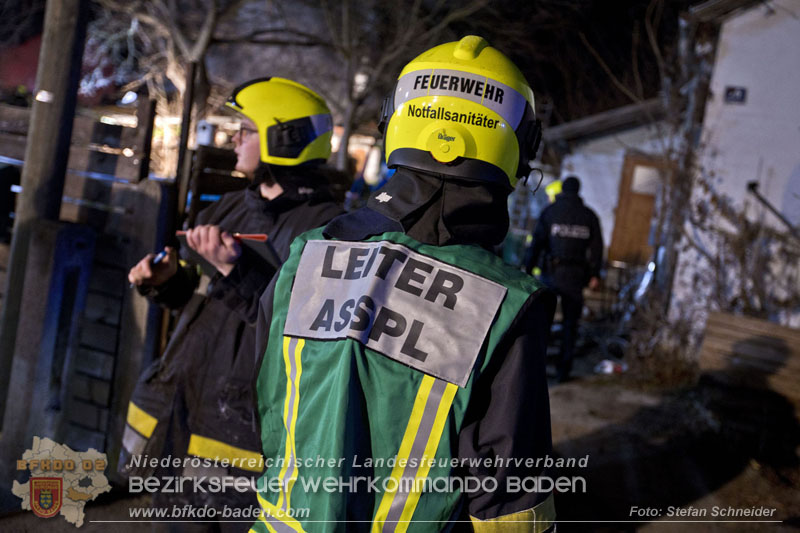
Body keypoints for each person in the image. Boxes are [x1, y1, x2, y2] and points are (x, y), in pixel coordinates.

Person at [251, 36, 556, 532]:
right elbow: (510, 503)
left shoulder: (307, 255)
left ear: (396, 123)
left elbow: (264, 409)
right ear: (519, 148)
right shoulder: (505, 304)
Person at [120, 78, 344, 530]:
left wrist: (235, 269)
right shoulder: (224, 209)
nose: (234, 139)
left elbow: (307, 330)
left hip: (236, 439)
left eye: (246, 130)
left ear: (285, 140)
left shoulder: (329, 230)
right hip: (179, 419)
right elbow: (198, 303)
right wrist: (166, 283)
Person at [525, 175, 603, 382]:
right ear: (578, 191)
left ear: (562, 191)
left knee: (541, 321)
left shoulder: (550, 212)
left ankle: (535, 365)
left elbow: (537, 243)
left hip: (551, 273)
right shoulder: (589, 216)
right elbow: (597, 248)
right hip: (576, 277)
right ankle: (563, 370)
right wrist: (595, 274)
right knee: (570, 324)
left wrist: (527, 268)